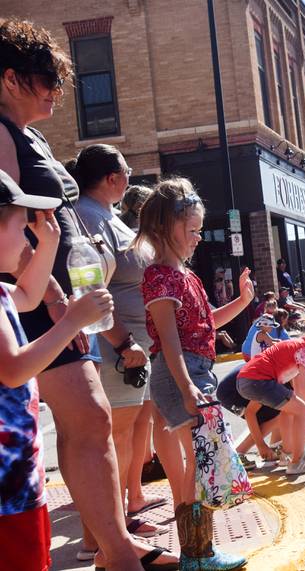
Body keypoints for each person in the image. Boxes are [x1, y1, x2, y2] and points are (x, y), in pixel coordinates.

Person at [0, 18, 167, 570]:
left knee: (90, 421)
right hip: (36, 299)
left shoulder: (29, 135)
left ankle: (110, 546)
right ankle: (114, 550)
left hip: (60, 296)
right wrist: (52, 300)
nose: (56, 90)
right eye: (46, 78)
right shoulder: (1, 133)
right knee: (91, 418)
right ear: (10, 78)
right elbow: (10, 222)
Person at [0, 171, 118, 571]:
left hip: (18, 480)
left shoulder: (2, 292)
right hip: (7, 490)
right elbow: (12, 370)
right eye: (22, 228)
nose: (26, 241)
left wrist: (48, 241)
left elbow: (31, 294)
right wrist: (70, 322)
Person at [135, 177, 253, 570]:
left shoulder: (186, 276)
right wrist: (187, 387)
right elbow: (169, 340)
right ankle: (197, 554)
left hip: (194, 373)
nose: (199, 238)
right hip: (181, 374)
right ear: (165, 228)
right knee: (197, 463)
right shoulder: (159, 276)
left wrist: (243, 301)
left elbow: (206, 324)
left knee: (201, 462)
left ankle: (200, 552)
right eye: (193, 230)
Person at [73, 145, 176, 553]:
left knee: (130, 435)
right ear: (112, 177)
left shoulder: (107, 215)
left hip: (132, 346)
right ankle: (103, 537)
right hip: (118, 348)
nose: (131, 178)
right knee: (113, 439)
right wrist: (123, 341)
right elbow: (89, 289)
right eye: (127, 171)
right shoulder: (89, 216)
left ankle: (118, 522)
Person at [237, 310, 305, 474]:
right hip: (257, 380)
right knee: (300, 409)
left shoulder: (297, 346)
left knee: (291, 409)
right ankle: (298, 461)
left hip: (246, 380)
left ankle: (288, 454)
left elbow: (299, 391)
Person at [218, 359, 305, 469]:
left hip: (245, 381)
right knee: (280, 412)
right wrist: (261, 445)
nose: (304, 388)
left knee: (284, 407)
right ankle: (239, 453)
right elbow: (250, 413)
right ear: (300, 372)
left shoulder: (291, 376)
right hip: (231, 392)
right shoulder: (277, 380)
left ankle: (276, 446)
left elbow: (297, 413)